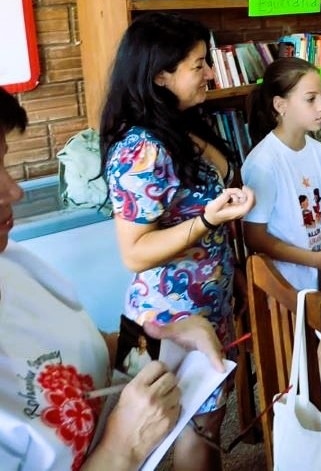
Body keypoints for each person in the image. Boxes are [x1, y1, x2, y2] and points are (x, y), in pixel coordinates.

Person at [0, 88, 227, 470]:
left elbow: (84, 352)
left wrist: (154, 340)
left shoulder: (15, 264)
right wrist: (122, 448)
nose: (15, 190)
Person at [99, 12, 255, 469]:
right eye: (199, 65)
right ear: (161, 76)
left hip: (210, 302)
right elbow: (134, 253)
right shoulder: (141, 148)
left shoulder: (188, 122)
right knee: (190, 427)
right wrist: (207, 219)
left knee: (206, 420)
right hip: (168, 314)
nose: (210, 74)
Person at [242, 57, 321, 291]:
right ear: (281, 106)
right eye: (311, 99)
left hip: (320, 279)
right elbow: (255, 237)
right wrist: (317, 259)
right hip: (285, 287)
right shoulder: (263, 162)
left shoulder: (318, 151)